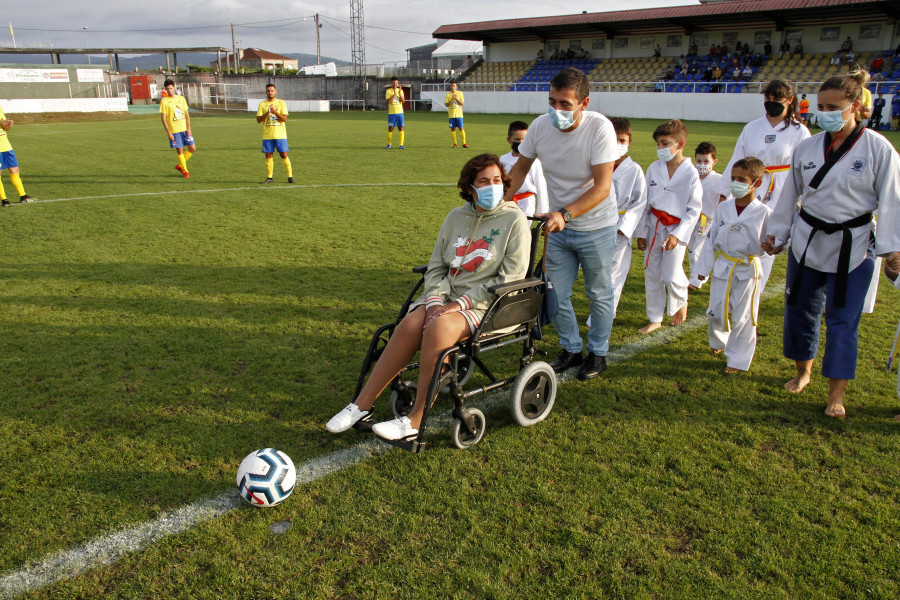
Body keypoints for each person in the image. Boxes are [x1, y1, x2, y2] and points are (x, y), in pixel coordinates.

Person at [325, 154, 530, 440]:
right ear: (470, 186)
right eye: (484, 181)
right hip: (446, 297)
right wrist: (435, 299)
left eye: (497, 180)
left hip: (489, 304)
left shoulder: (514, 219)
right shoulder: (455, 217)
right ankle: (361, 405)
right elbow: (436, 267)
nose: (492, 186)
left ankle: (415, 419)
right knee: (409, 324)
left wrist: (459, 304)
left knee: (438, 328)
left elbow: (511, 276)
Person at [761, 71, 900, 419]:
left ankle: (836, 393)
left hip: (853, 245)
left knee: (842, 321)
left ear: (855, 107)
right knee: (800, 312)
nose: (824, 113)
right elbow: (789, 194)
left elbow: (892, 200)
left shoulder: (878, 148)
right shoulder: (807, 147)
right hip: (808, 240)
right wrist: (777, 234)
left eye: (833, 107)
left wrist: (892, 247)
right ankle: (802, 371)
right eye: (820, 106)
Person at [503, 67, 618, 381]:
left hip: (595, 225)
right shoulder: (540, 127)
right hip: (558, 227)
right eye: (552, 101)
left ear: (584, 102)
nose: (557, 110)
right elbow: (519, 171)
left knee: (599, 293)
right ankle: (570, 348)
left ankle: (598, 353)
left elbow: (602, 187)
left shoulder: (600, 129)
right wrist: (497, 204)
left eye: (565, 104)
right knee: (555, 292)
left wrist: (564, 214)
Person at [716, 79, 810, 293]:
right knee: (743, 233)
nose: (771, 102)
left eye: (777, 99)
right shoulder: (752, 127)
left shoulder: (799, 131)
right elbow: (736, 159)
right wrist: (724, 192)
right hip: (750, 187)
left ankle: (754, 291)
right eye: (768, 98)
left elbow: (804, 166)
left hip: (782, 188)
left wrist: (802, 198)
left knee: (769, 238)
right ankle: (735, 284)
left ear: (790, 100)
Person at [695, 158, 771, 373]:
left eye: (741, 179)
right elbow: (711, 240)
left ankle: (737, 360)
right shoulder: (724, 208)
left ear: (756, 183)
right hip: (724, 264)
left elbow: (773, 243)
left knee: (743, 315)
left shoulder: (763, 212)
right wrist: (702, 270)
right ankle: (718, 341)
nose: (735, 183)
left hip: (747, 268)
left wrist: (773, 246)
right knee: (716, 309)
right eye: (733, 178)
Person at [635, 119, 702, 334]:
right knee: (652, 273)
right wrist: (641, 231)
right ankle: (655, 318)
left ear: (680, 144)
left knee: (671, 273)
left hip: (676, 227)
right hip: (654, 224)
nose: (660, 149)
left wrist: (678, 235)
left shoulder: (691, 173)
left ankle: (681, 300)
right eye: (658, 144)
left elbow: (694, 210)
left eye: (665, 143)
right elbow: (645, 202)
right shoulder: (654, 168)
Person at [608, 117, 647, 315]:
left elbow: (639, 202)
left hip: (620, 227)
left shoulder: (634, 170)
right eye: (613, 139)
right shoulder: (596, 163)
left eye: (622, 140)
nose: (617, 145)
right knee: (597, 273)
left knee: (615, 272)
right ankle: (599, 308)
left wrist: (627, 228)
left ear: (629, 141)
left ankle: (607, 313)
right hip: (595, 224)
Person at [687, 142, 723, 289]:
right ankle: (698, 275)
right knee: (691, 249)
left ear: (714, 161)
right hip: (691, 217)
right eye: (699, 161)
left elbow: (726, 199)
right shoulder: (691, 177)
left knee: (698, 249)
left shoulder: (719, 180)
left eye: (706, 161)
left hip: (707, 220)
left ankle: (696, 280)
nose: (702, 165)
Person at [499, 121, 548, 217]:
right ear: (509, 140)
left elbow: (541, 186)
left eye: (524, 139)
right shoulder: (503, 159)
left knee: (523, 229)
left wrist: (542, 211)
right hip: (507, 201)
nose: (521, 142)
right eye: (517, 139)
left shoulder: (533, 162)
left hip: (526, 202)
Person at [256, 84, 293, 185]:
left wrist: (275, 112)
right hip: (267, 135)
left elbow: (284, 119)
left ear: (275, 92)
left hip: (280, 135)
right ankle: (269, 177)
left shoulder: (281, 103)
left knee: (284, 154)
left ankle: (290, 177)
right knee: (268, 155)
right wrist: (267, 113)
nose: (270, 92)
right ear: (266, 92)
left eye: (272, 90)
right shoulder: (262, 104)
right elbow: (258, 120)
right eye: (268, 91)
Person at [159, 79, 196, 178]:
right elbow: (163, 119)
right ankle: (185, 170)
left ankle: (179, 165)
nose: (169, 90)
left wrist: (189, 128)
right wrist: (169, 133)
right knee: (179, 150)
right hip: (174, 130)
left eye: (171, 88)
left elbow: (186, 114)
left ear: (174, 87)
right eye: (167, 89)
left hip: (184, 129)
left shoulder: (181, 99)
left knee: (192, 148)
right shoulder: (164, 102)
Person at [0, 105, 35, 206]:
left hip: (6, 146)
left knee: (15, 170)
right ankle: (4, 200)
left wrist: (7, 124)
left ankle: (23, 196)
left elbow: (4, 127)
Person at [445, 81, 468, 149]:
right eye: (451, 86)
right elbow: (446, 104)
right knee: (452, 129)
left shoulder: (460, 93)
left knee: (461, 128)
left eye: (454, 86)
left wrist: (456, 98)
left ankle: (464, 143)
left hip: (459, 114)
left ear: (456, 86)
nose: (453, 87)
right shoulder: (448, 95)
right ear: (450, 86)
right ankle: (455, 144)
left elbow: (462, 103)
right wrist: (452, 99)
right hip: (451, 115)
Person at [385, 77, 405, 150]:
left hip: (400, 113)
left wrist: (399, 93)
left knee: (401, 128)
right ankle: (389, 144)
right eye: (394, 83)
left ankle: (401, 145)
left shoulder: (401, 91)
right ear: (391, 83)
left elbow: (403, 101)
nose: (395, 84)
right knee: (390, 129)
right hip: (392, 113)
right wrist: (394, 94)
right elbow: (389, 101)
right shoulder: (388, 91)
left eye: (396, 83)